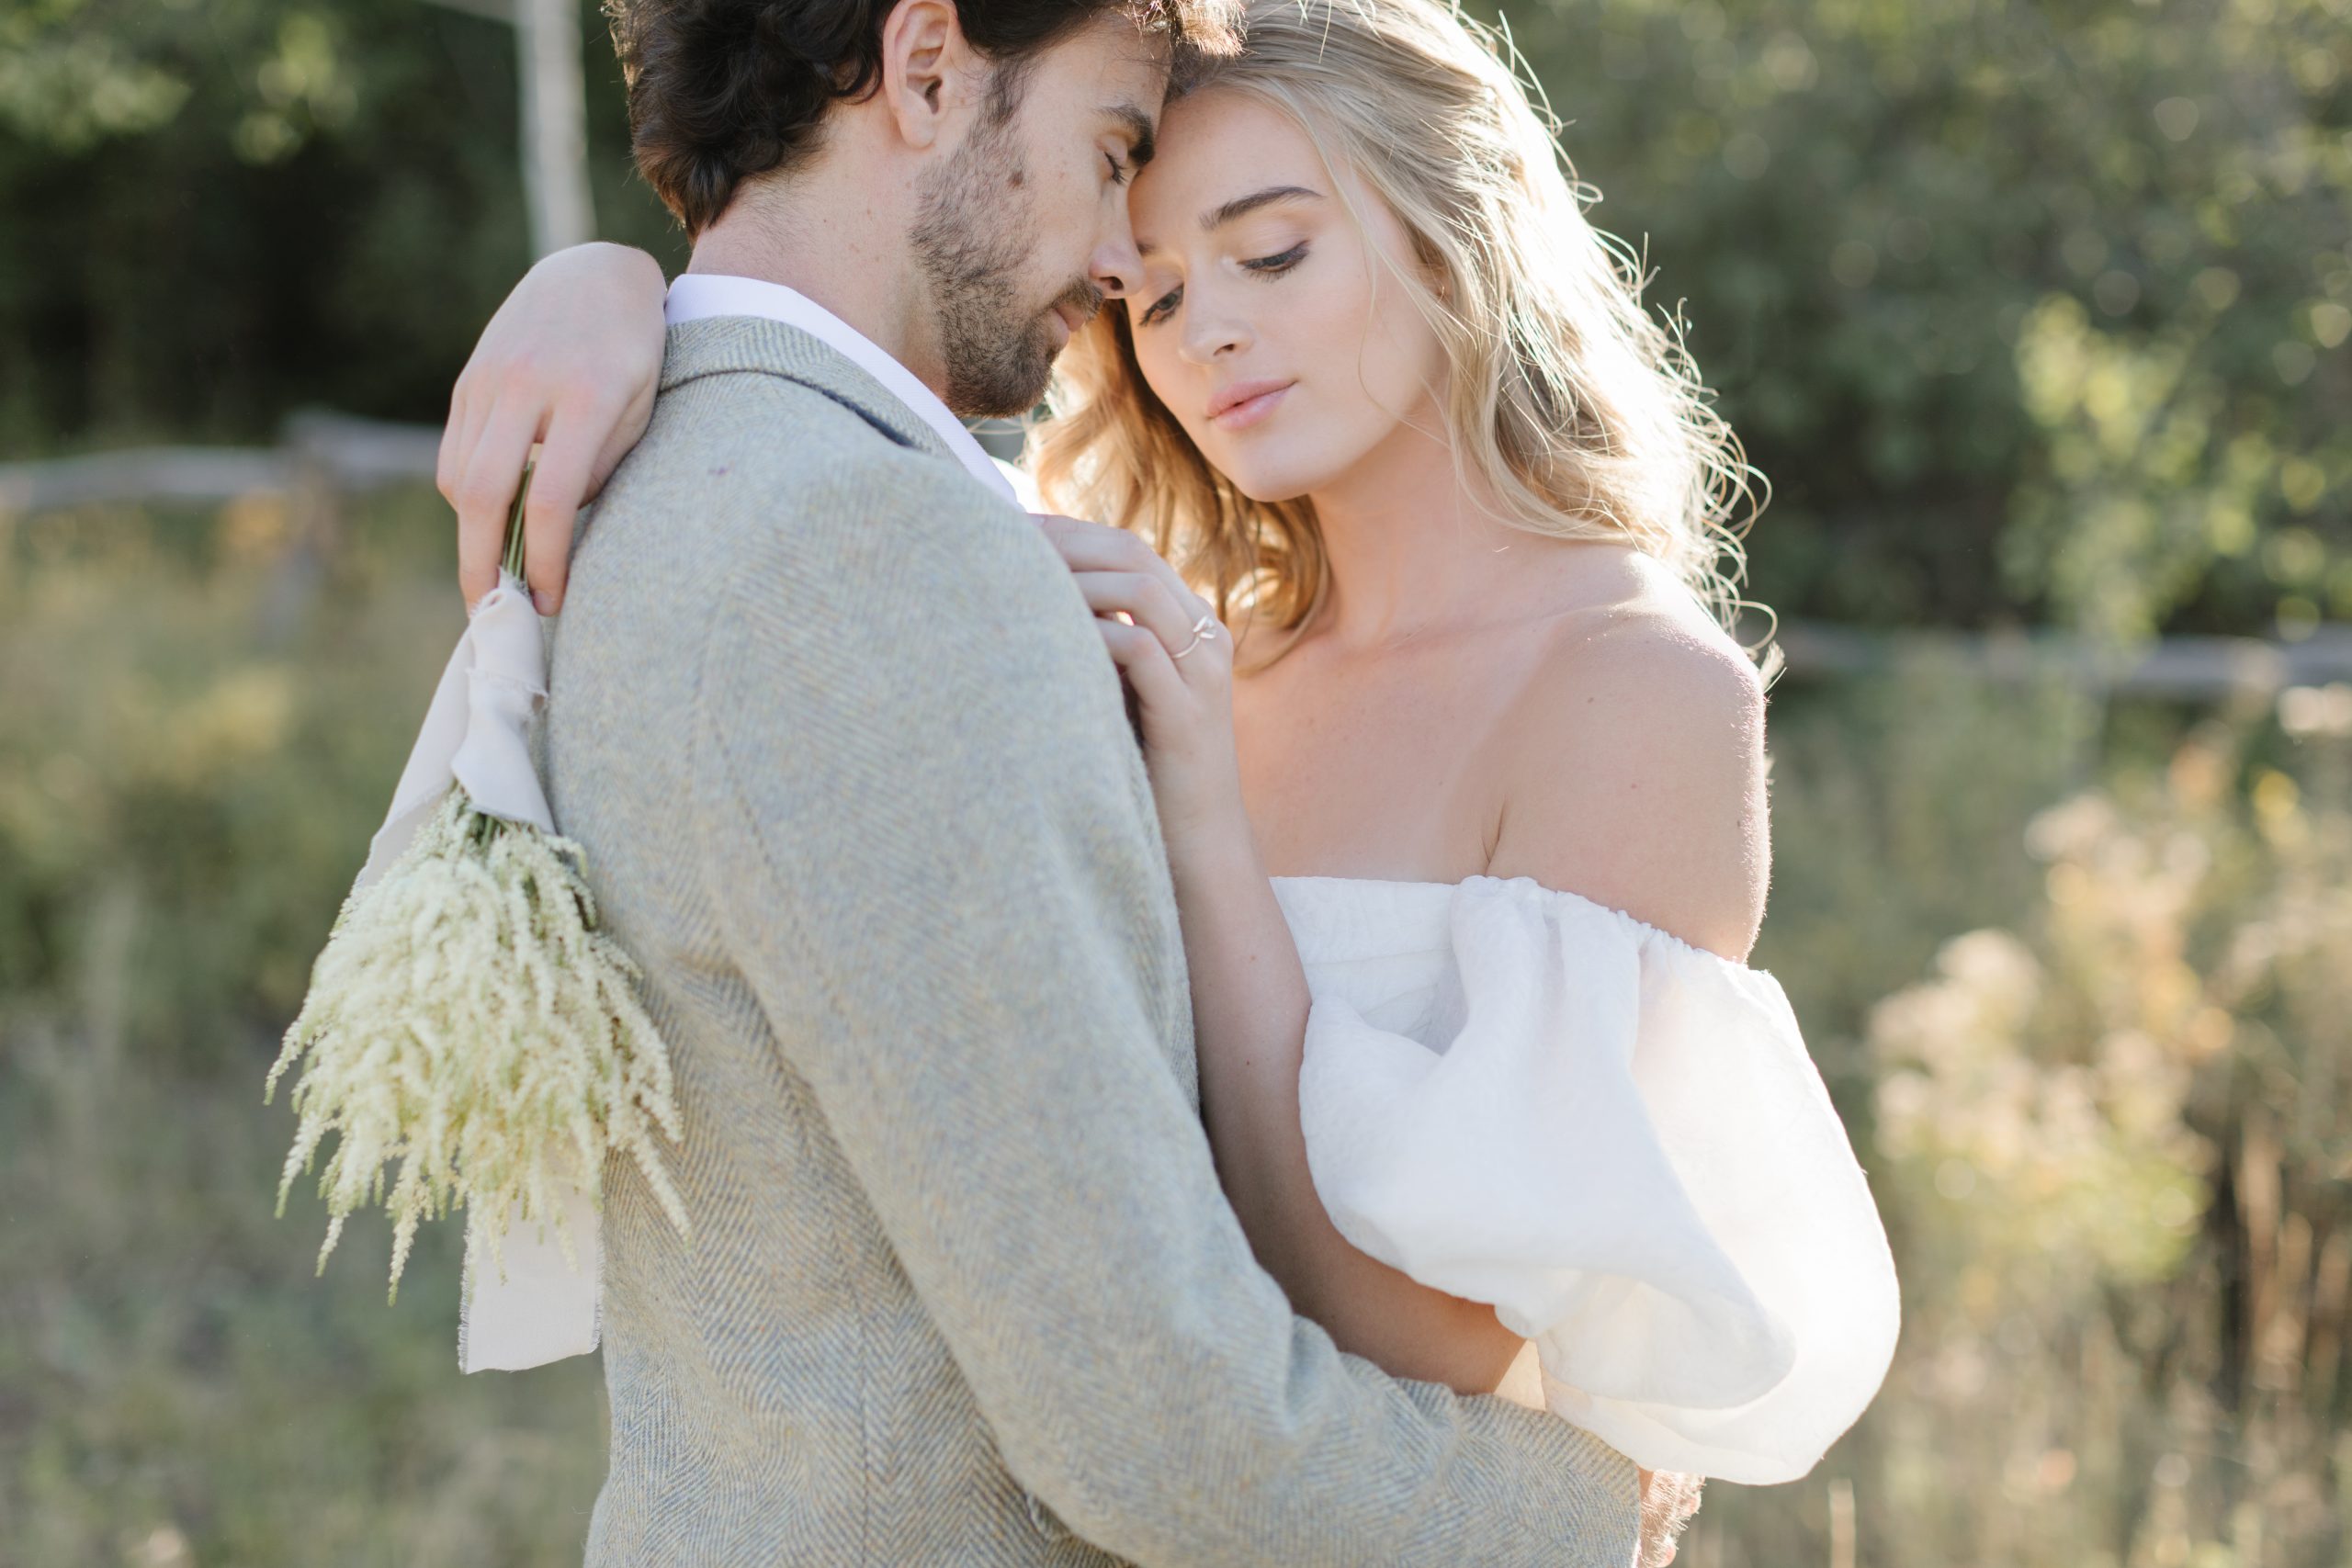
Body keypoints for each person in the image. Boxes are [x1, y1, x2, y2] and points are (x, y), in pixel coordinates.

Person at [440, 0, 1902, 1561]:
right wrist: (601, 290)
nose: (1204, 332)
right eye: (1148, 292)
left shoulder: (1631, 693)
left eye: (1272, 255)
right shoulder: (1135, 621)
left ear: (1449, 231)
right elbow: (810, 359)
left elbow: (1448, 1355)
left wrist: (1204, 817)